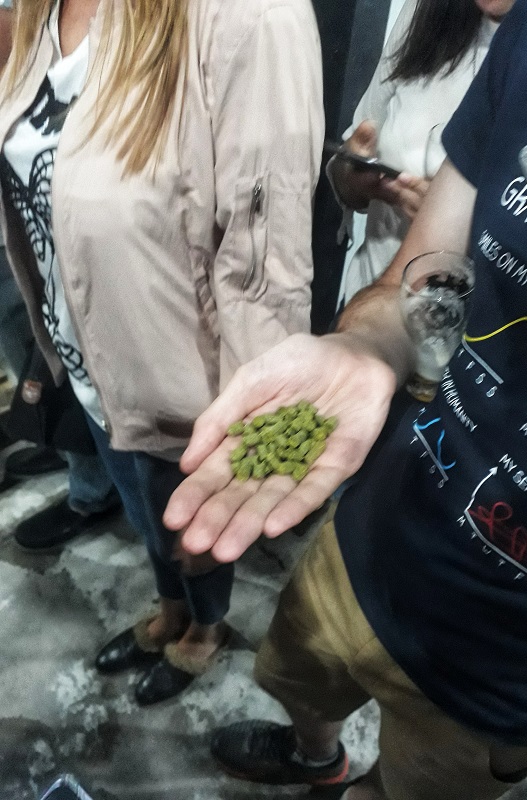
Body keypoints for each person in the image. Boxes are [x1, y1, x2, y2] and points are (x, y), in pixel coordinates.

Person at [164, 0, 527, 797]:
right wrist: (367, 347)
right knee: (299, 678)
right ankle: (316, 757)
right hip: (380, 532)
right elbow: (423, 278)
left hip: (517, 663)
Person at [0, 0, 323, 705]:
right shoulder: (40, 13)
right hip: (91, 364)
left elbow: (265, 267)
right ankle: (172, 609)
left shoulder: (249, 17)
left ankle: (205, 628)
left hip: (188, 390)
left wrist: (248, 451)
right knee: (144, 512)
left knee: (193, 533)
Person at [0, 0, 119, 544]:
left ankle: (90, 489)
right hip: (29, 212)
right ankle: (64, 445)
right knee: (36, 352)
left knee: (55, 351)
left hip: (53, 218)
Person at [332, 0, 509, 308]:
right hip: (365, 300)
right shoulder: (425, 10)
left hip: (451, 325)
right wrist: (355, 179)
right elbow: (348, 164)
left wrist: (449, 221)